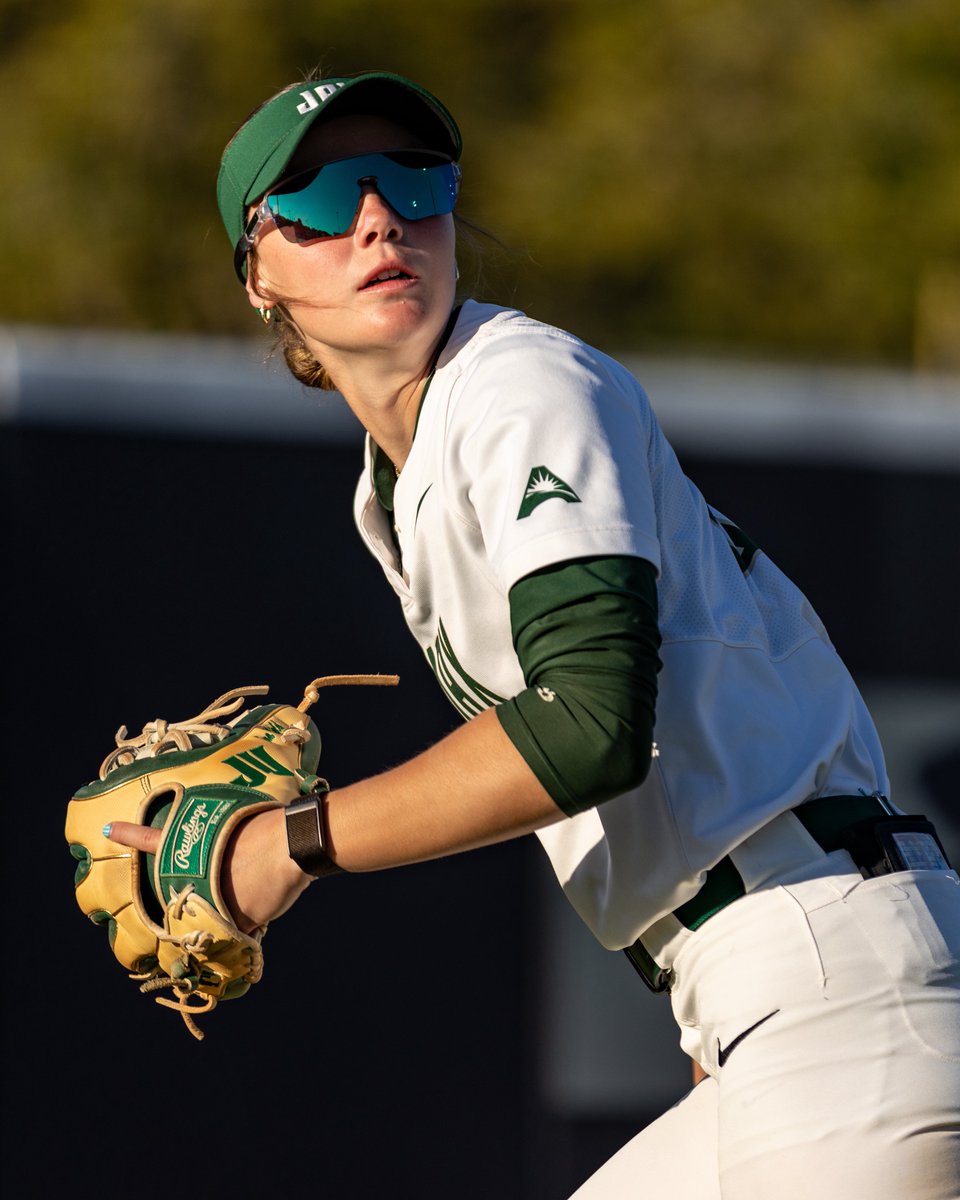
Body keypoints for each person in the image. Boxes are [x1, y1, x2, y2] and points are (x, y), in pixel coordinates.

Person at [107, 70, 960, 1197]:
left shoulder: (517, 382)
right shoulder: (402, 477)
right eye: (319, 195)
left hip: (836, 990)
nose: (378, 217)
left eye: (414, 180)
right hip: (783, 990)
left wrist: (288, 843)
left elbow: (591, 724)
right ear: (258, 274)